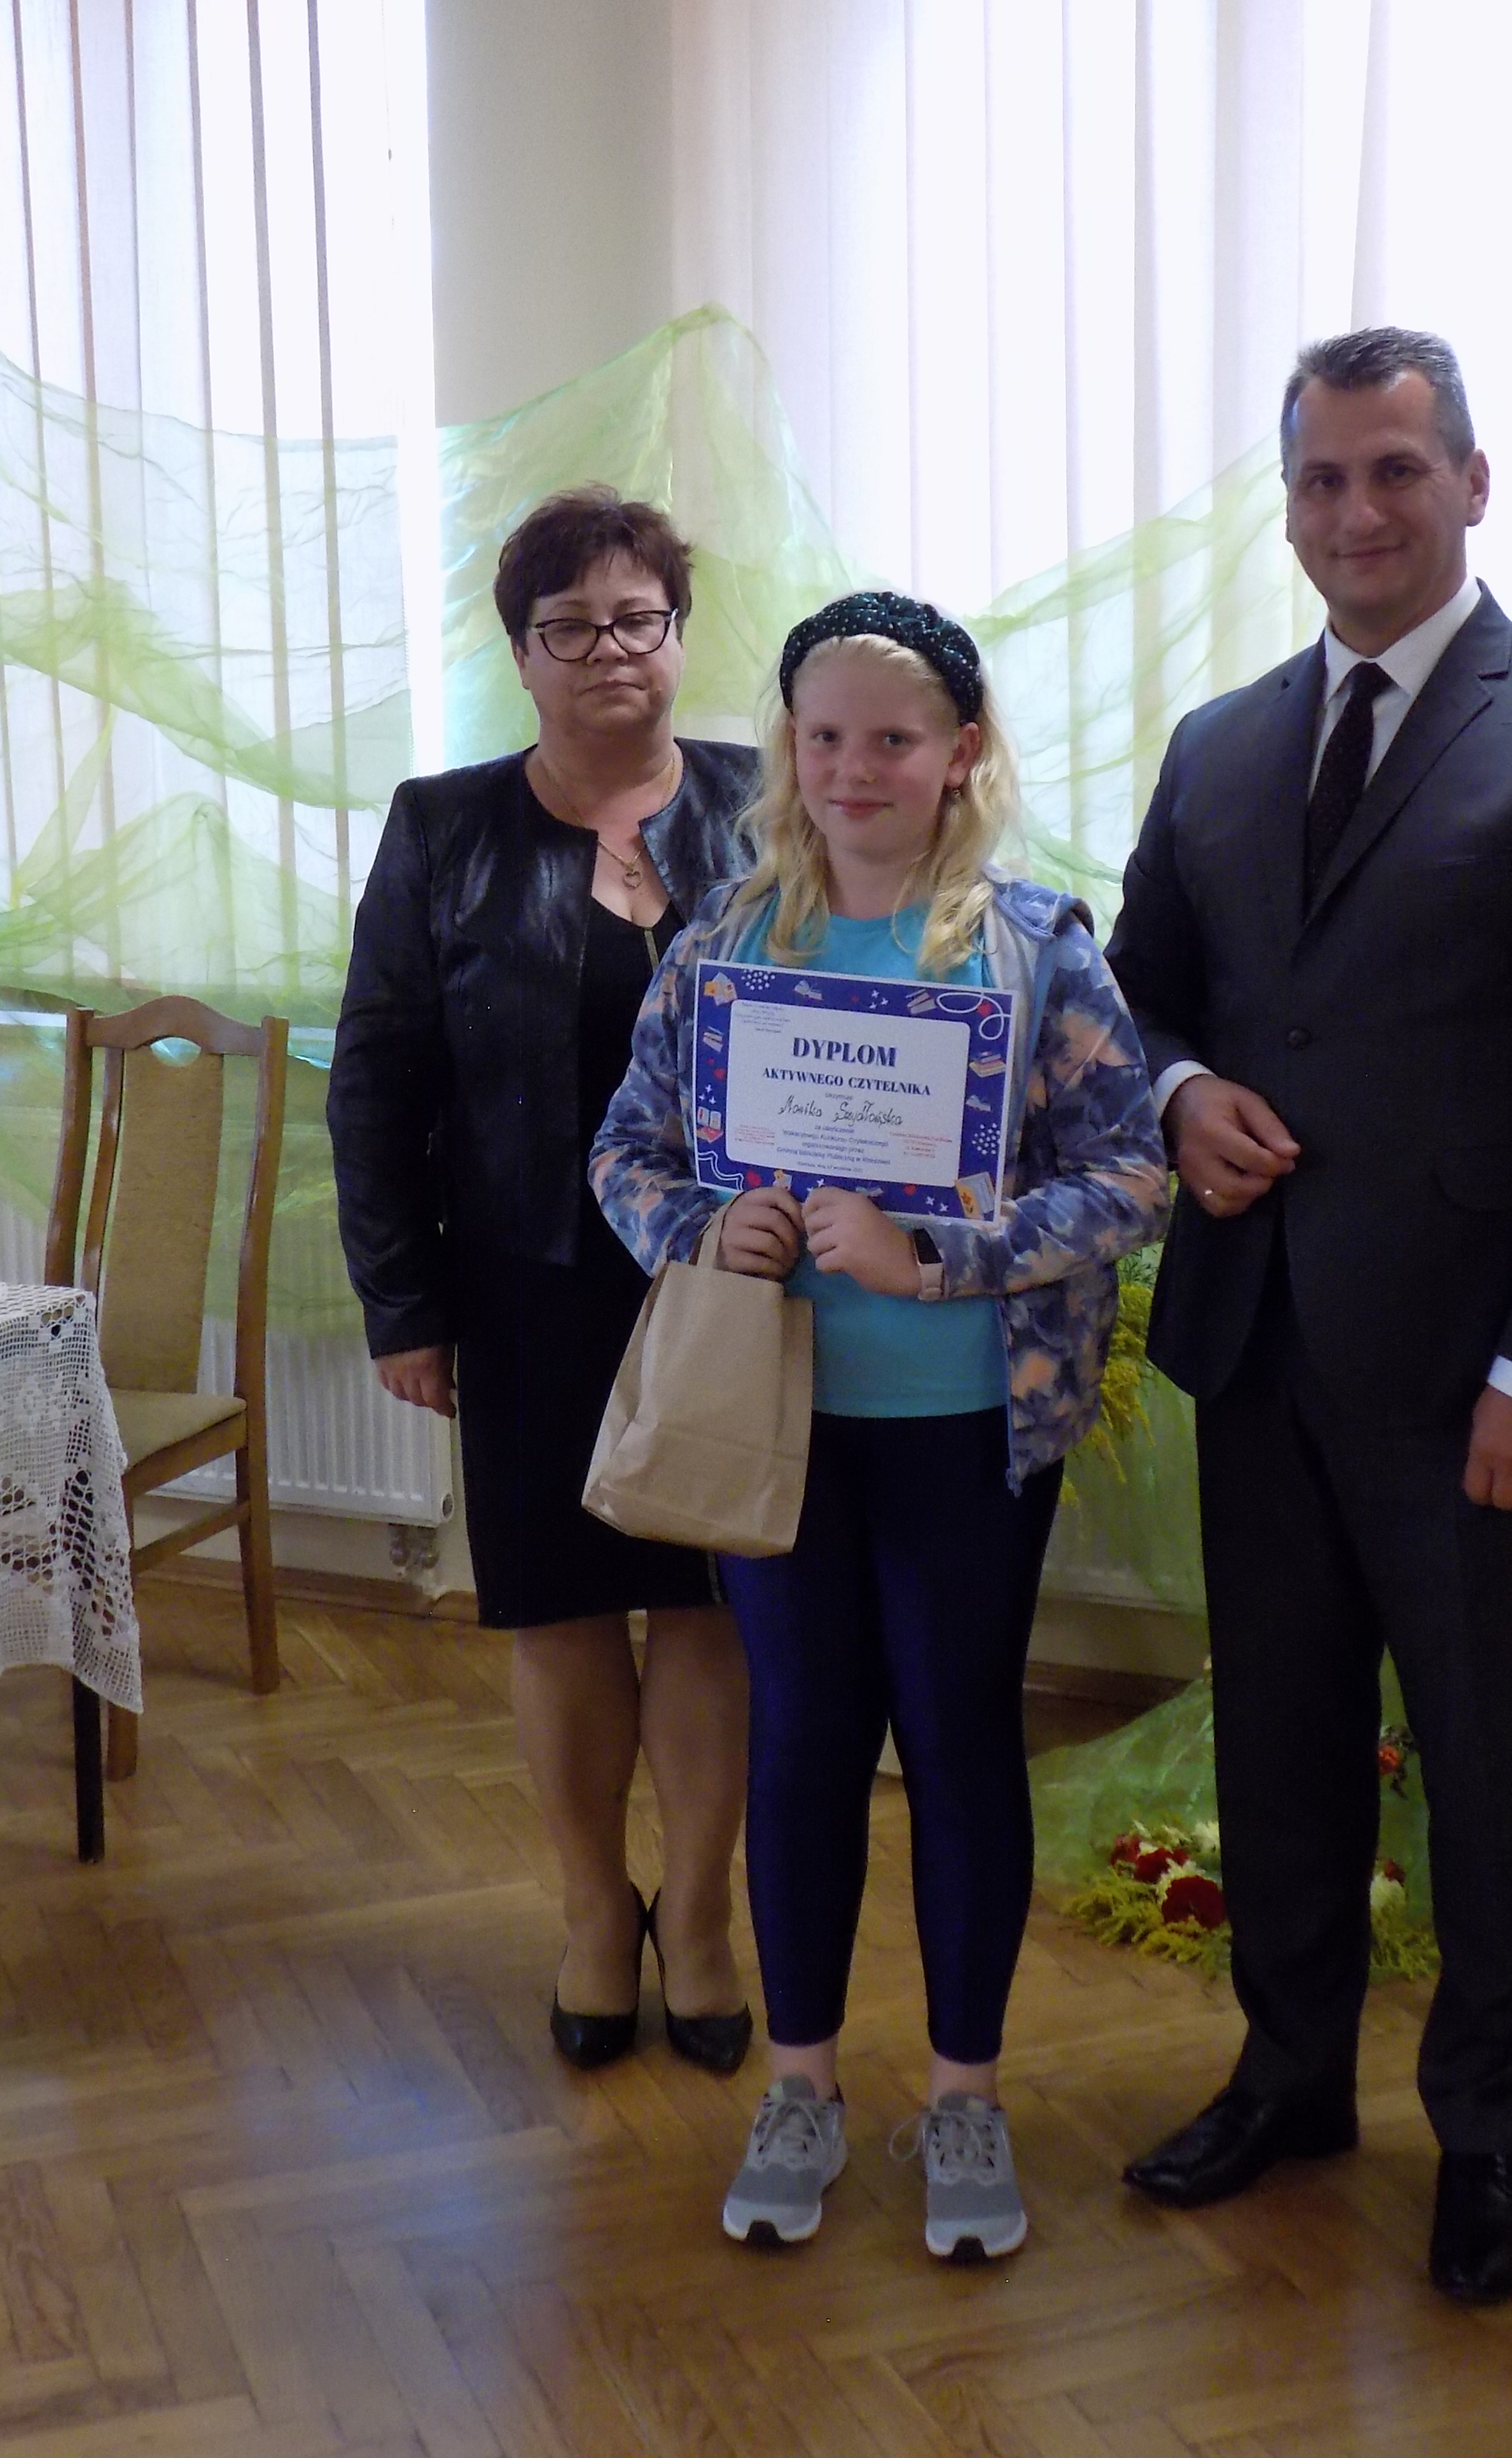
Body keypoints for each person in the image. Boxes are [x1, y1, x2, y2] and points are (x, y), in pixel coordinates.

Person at [1103, 329, 1512, 2303]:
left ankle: (1487, 2139)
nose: (1356, 512)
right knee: (1280, 1745)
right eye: (1321, 479)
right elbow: (1137, 994)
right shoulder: (1219, 746)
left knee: (1487, 1769)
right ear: (1287, 504)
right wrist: (1181, 1093)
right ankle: (1291, 2079)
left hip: (1477, 1383)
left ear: (1469, 482)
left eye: (1394, 470)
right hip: (1258, 1347)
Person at [591, 592, 1169, 2263]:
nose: (855, 767)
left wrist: (942, 1259)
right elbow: (625, 1153)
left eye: (893, 739)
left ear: (959, 753)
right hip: (777, 1424)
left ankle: (966, 2096)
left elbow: (1131, 1177)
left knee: (961, 1743)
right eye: (825, 736)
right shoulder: (726, 943)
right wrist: (710, 1227)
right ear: (791, 749)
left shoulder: (1031, 946)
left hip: (968, 1431)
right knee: (802, 1744)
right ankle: (802, 2085)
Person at [329, 487, 759, 2074]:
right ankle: (593, 1910)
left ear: (677, 635)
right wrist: (403, 1304)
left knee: (710, 1605)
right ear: (519, 653)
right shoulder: (442, 829)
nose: (606, 651)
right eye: (566, 626)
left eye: (635, 618)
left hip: (729, 1281)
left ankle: (699, 1916)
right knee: (562, 1609)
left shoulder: (765, 804)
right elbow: (375, 1080)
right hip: (523, 1278)